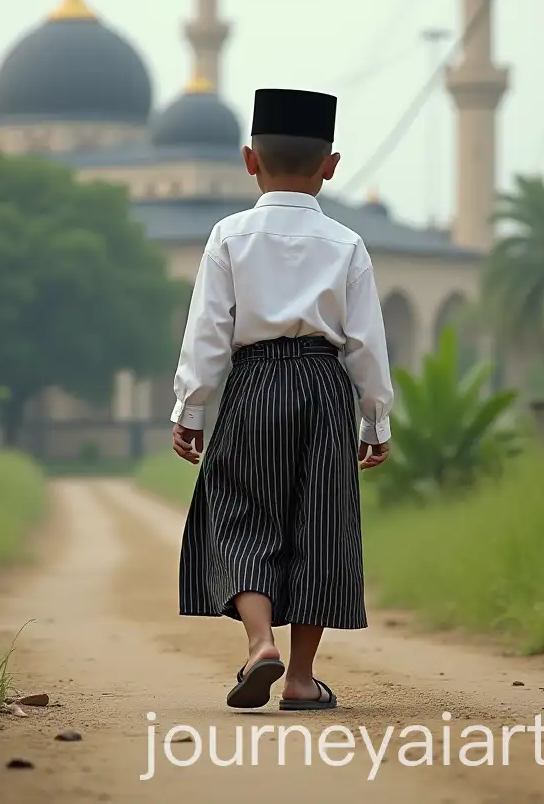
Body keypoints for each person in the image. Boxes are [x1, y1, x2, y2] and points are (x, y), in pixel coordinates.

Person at [170, 87, 394, 712]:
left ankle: (259, 642)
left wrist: (191, 408)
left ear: (250, 160)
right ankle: (299, 677)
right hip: (324, 387)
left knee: (240, 512)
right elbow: (366, 342)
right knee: (319, 524)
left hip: (254, 383)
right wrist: (375, 419)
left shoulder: (228, 236)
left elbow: (208, 331)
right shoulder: (347, 243)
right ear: (331, 165)